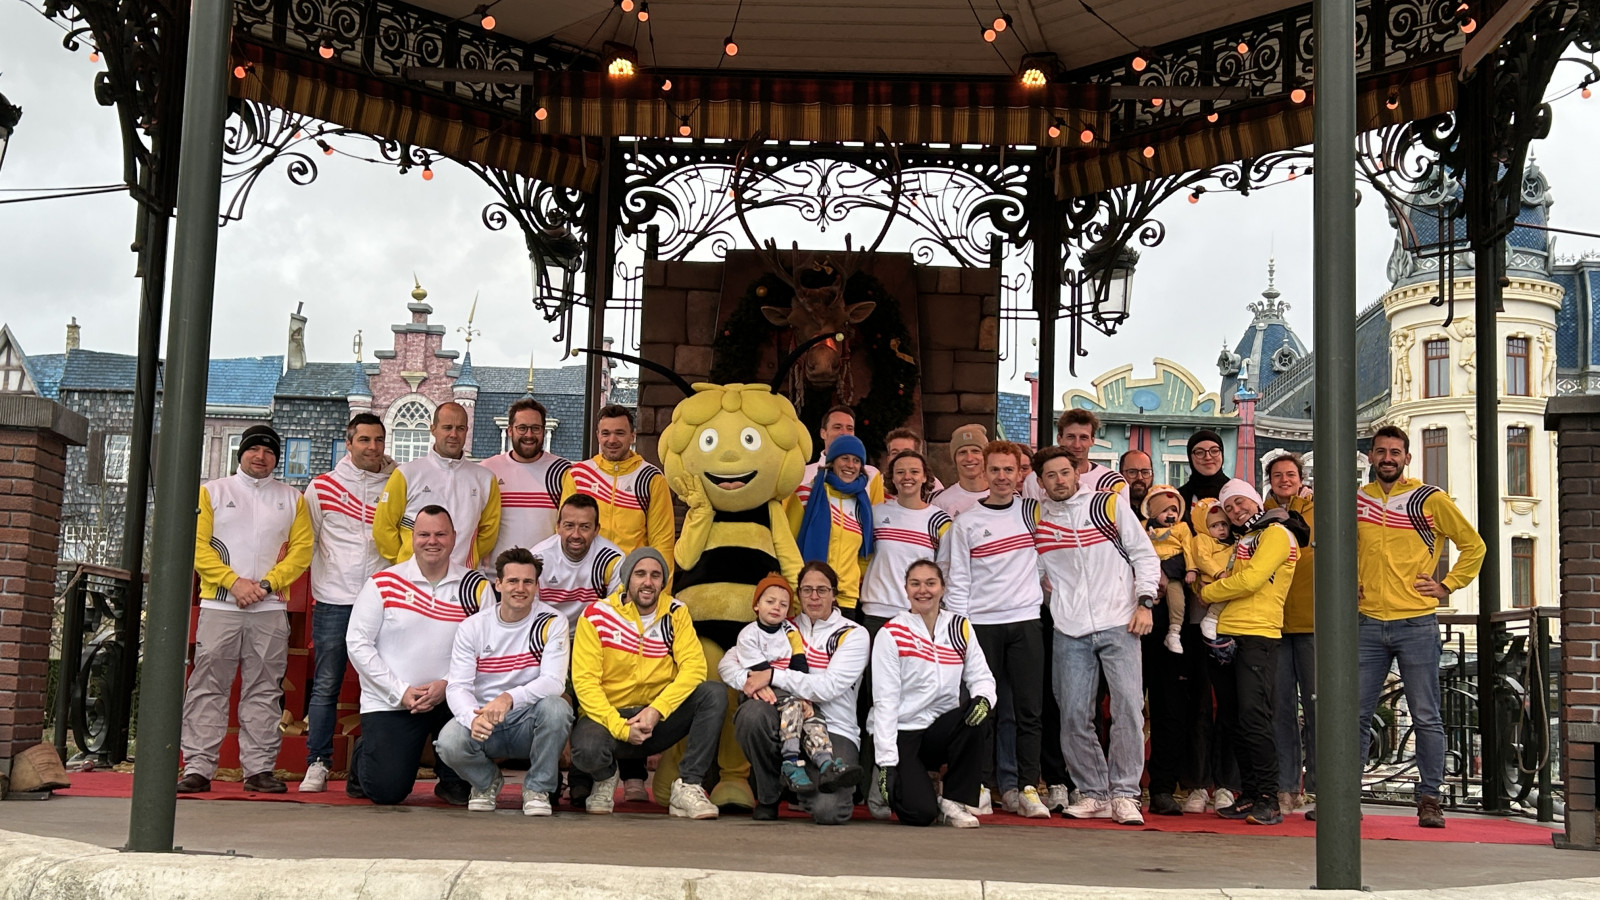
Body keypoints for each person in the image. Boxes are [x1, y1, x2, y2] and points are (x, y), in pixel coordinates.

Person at [1357, 425, 1485, 829]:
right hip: (1365, 621)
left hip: (1416, 621)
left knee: (1426, 715)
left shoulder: (1429, 498)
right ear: (1372, 457)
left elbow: (1474, 545)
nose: (1388, 458)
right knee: (1355, 715)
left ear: (1407, 458)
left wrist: (1447, 585)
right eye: (1381, 451)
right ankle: (1345, 798)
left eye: (1395, 451)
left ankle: (1430, 798)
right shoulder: (1357, 499)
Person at [178, 424, 314, 794]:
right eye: (254, 449)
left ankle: (258, 769)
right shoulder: (213, 492)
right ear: (241, 453)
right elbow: (197, 545)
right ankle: (198, 767)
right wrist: (233, 583)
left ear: (276, 458)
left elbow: (302, 550)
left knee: (264, 689)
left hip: (269, 608)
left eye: (269, 451)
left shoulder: (293, 498)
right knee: (208, 686)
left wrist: (267, 584)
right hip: (220, 604)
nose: (261, 456)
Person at [1032, 446, 1159, 826]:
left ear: (1076, 474)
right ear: (1041, 482)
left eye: (1064, 473)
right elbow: (1035, 571)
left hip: (1120, 621)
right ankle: (1092, 792)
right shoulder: (1037, 518)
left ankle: (1124, 794)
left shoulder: (1108, 505)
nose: (1059, 480)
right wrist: (1051, 597)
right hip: (1069, 629)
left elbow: (1144, 555)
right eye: (1050, 476)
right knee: (1072, 714)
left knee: (1127, 710)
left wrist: (1145, 602)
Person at [346, 505, 491, 805]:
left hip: (454, 698)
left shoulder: (476, 587)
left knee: (463, 793)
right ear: (412, 538)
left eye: (440, 534)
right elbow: (357, 643)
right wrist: (401, 691)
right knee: (386, 792)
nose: (432, 541)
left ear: (454, 537)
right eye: (424, 534)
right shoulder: (383, 583)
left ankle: (450, 778)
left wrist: (447, 685)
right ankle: (367, 753)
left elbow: (488, 648)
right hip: (395, 701)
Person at [568, 547, 727, 819]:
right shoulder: (596, 614)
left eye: (655, 575)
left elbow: (694, 668)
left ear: (663, 582)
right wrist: (620, 727)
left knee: (713, 693)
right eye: (640, 574)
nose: (648, 582)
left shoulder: (676, 612)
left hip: (657, 719)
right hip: (609, 717)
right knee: (586, 750)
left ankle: (688, 785)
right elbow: (584, 682)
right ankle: (606, 777)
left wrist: (656, 710)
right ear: (627, 578)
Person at [943, 440, 1050, 819]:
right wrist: (958, 632)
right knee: (982, 709)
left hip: (1025, 622)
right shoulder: (967, 522)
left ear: (1020, 473)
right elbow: (957, 581)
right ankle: (982, 785)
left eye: (1009, 470)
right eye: (995, 470)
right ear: (983, 473)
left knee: (1028, 711)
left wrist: (1036, 588)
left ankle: (1026, 787)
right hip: (982, 626)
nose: (1002, 477)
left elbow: (1045, 559)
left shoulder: (1032, 513)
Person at [724, 563, 870, 824]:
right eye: (807, 590)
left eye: (822, 590)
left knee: (829, 811)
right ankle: (770, 796)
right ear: (799, 594)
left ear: (834, 594)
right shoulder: (780, 624)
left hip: (835, 727)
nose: (814, 597)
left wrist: (773, 675)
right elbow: (728, 661)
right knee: (752, 714)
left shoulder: (854, 634)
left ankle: (799, 786)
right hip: (785, 719)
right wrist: (751, 681)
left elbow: (828, 687)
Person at [435, 548, 574, 815]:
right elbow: (458, 686)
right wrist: (471, 717)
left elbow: (554, 681)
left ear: (536, 586)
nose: (520, 588)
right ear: (498, 584)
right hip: (485, 720)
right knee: (449, 742)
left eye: (527, 582)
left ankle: (538, 789)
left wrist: (509, 698)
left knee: (557, 708)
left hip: (528, 722)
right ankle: (486, 783)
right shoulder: (473, 626)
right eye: (512, 581)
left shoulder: (553, 621)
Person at [299, 413, 395, 792]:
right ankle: (317, 762)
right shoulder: (322, 488)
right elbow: (307, 543)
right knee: (326, 683)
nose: (372, 447)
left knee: (385, 682)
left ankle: (376, 759)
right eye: (365, 440)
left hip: (383, 601)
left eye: (378, 440)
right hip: (335, 600)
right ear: (349, 442)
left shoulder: (397, 484)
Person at [1199, 479, 1300, 826]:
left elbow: (1252, 580)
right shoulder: (1245, 538)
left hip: (1258, 633)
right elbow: (1235, 578)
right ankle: (1251, 793)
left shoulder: (1276, 533)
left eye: (1240, 502)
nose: (1236, 510)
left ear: (1255, 500)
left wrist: (1210, 591)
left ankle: (1270, 798)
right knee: (1234, 718)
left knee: (1255, 717)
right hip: (1227, 632)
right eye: (1229, 508)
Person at [871, 559, 997, 828]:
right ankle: (916, 789)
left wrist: (985, 699)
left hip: (941, 729)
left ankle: (954, 799)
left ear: (942, 588)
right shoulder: (892, 633)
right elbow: (885, 702)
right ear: (905, 589)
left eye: (930, 583)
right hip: (905, 731)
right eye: (915, 584)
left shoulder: (960, 627)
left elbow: (982, 677)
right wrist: (886, 763)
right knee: (920, 814)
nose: (923, 590)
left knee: (977, 712)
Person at [373, 401, 501, 569]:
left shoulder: (485, 479)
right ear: (433, 429)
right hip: (413, 579)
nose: (454, 434)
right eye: (447, 427)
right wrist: (404, 562)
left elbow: (488, 533)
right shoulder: (407, 473)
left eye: (460, 428)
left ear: (467, 431)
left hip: (461, 578)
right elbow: (383, 527)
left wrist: (466, 561)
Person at [559, 404, 675, 573]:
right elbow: (563, 530)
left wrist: (661, 592)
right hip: (586, 577)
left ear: (632, 436)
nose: (612, 440)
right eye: (606, 433)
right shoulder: (578, 475)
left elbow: (662, 541)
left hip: (632, 577)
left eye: (619, 433)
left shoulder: (651, 478)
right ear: (598, 436)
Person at [1264, 454, 1317, 815]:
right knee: (1280, 710)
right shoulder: (1259, 515)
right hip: (1273, 625)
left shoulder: (1318, 510)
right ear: (1269, 479)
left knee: (1318, 711)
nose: (1285, 480)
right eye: (1278, 475)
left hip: (1314, 623)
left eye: (1291, 474)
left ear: (1301, 478)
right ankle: (1286, 787)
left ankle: (1319, 787)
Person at [860, 450, 952, 630]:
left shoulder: (940, 520)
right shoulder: (875, 513)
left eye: (914, 472)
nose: (907, 477)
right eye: (900, 472)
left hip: (918, 614)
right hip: (876, 612)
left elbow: (945, 571)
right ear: (892, 478)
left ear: (925, 477)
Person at [481, 398, 571, 571]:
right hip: (498, 577)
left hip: (548, 576)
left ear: (544, 431)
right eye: (522, 428)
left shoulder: (563, 471)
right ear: (509, 431)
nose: (529, 435)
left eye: (535, 428)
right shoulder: (487, 470)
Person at [796, 434, 877, 613]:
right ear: (832, 461)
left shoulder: (862, 504)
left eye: (856, 460)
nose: (850, 465)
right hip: (811, 595)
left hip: (846, 598)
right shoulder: (807, 494)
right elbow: (790, 545)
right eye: (844, 458)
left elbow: (864, 555)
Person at [528, 494, 624, 633]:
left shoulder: (612, 559)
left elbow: (615, 613)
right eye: (569, 526)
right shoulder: (537, 558)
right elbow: (530, 611)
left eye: (585, 527)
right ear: (558, 527)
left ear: (596, 530)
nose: (576, 535)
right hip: (547, 634)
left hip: (592, 636)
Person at [1022, 410, 1127, 500]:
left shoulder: (1113, 481)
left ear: (1092, 440)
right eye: (1071, 437)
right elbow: (1031, 521)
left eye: (1083, 438)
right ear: (1059, 439)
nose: (1077, 445)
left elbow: (1123, 522)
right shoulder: (1035, 480)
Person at [793, 405, 884, 509]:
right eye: (837, 427)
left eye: (849, 428)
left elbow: (876, 521)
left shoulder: (871, 475)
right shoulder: (802, 474)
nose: (844, 433)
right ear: (823, 433)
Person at [1142, 485, 1195, 656]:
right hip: (1149, 569)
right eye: (1164, 510)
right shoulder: (1144, 527)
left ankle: (1174, 631)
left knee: (1177, 599)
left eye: (1174, 509)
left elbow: (1188, 549)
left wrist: (1191, 569)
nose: (1170, 514)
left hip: (1172, 569)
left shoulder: (1181, 528)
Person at [930, 424, 990, 517]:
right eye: (962, 452)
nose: (969, 458)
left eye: (975, 451)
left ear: (986, 456)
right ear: (955, 459)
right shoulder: (941, 503)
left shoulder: (1003, 495)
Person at [883, 427, 944, 491]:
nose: (900, 457)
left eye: (906, 452)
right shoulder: (876, 483)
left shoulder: (934, 486)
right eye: (895, 453)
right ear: (888, 459)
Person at [1119, 449, 1155, 518]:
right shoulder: (1112, 507)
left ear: (1152, 476)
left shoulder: (1162, 509)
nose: (1139, 477)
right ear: (1120, 475)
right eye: (1132, 472)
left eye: (1145, 472)